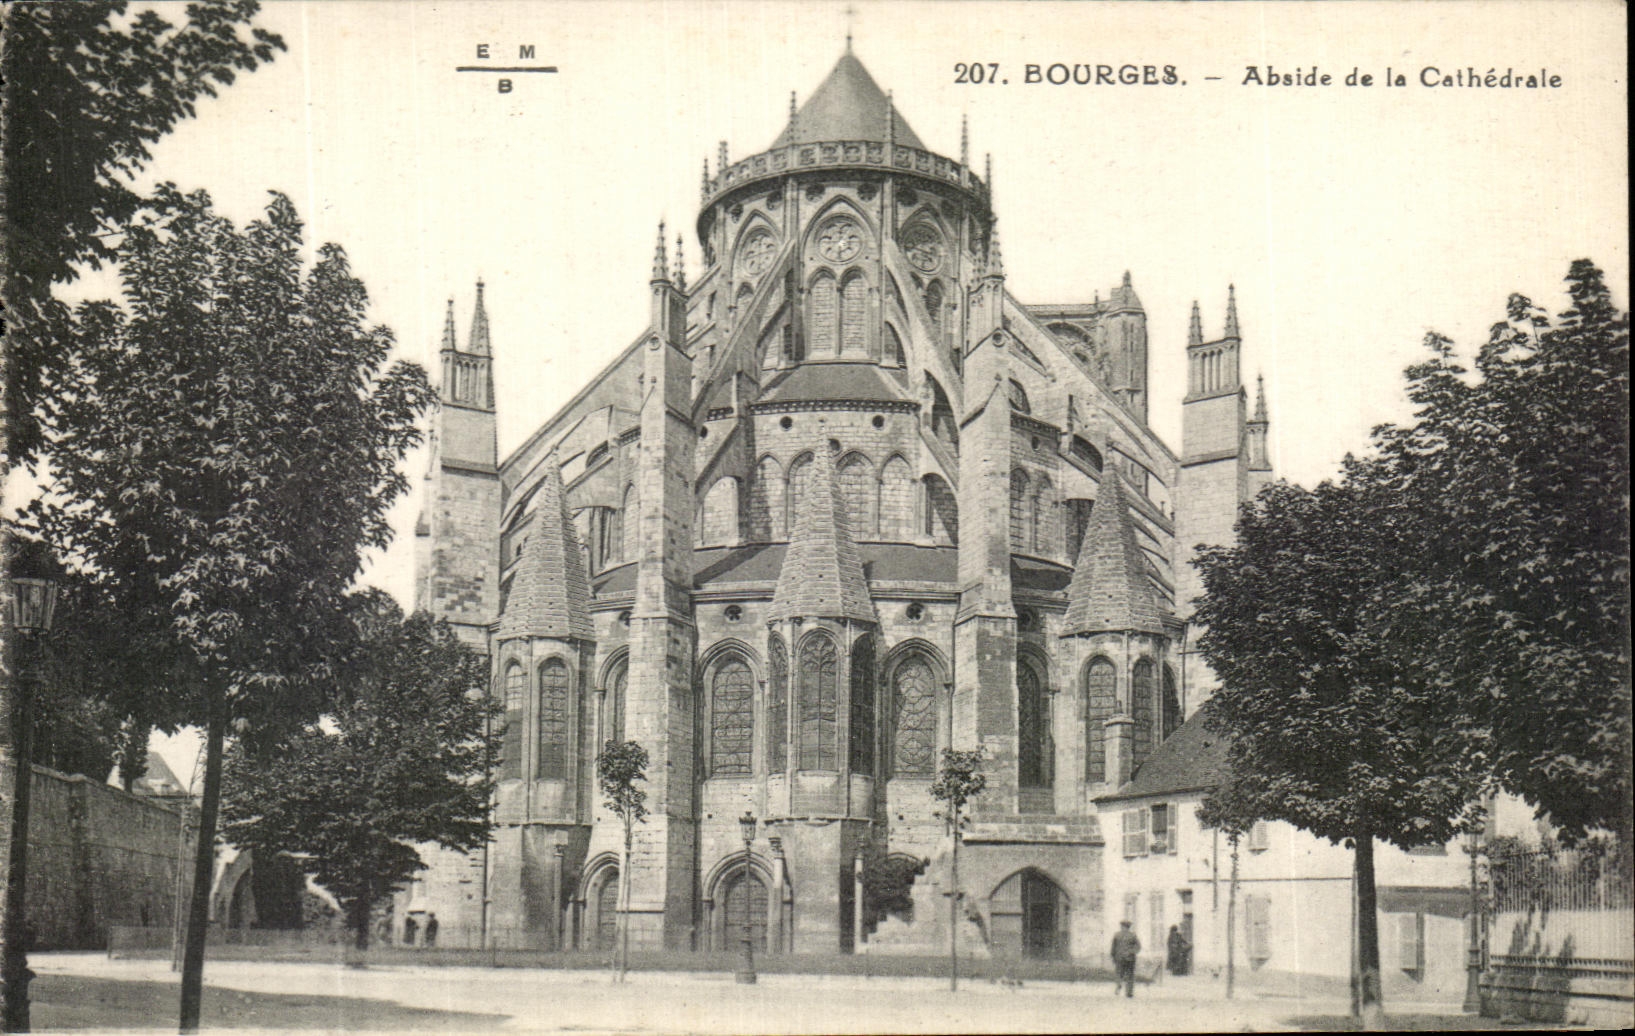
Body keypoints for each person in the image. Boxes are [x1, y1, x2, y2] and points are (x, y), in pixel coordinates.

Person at [1111, 919, 1141, 997]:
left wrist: (1113, 957)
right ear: (1129, 927)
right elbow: (1138, 947)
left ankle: (1119, 984)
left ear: (1122, 926)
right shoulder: (1133, 935)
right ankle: (1129, 992)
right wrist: (1132, 952)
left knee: (1119, 973)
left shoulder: (1117, 935)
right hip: (1130, 958)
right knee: (1130, 975)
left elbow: (1113, 947)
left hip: (1119, 957)